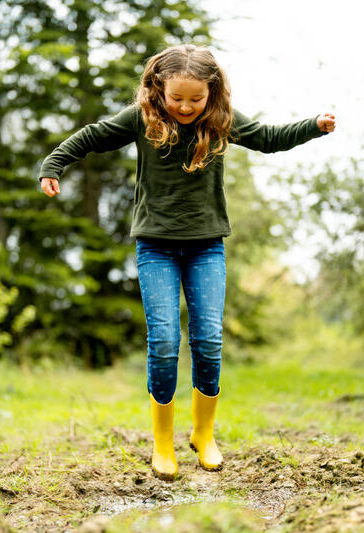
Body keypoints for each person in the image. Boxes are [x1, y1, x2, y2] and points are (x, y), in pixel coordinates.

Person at [38, 44, 336, 481]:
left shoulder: (221, 122)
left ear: (211, 94)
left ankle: (203, 433)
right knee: (163, 341)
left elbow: (270, 139)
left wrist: (313, 126)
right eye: (176, 97)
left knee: (209, 340)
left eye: (195, 99)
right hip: (155, 247)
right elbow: (91, 136)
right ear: (158, 89)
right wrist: (53, 165)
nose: (184, 106)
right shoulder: (142, 119)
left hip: (206, 247)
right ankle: (162, 443)